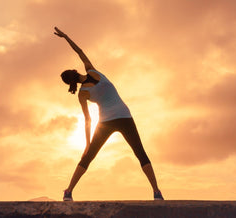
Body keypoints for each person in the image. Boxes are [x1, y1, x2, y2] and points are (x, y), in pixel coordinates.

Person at [54, 27, 164, 201]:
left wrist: (87, 144)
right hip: (124, 116)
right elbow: (80, 51)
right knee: (140, 152)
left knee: (88, 156)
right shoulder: (92, 70)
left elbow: (88, 120)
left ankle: (68, 192)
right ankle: (157, 192)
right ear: (75, 71)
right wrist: (66, 37)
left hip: (106, 122)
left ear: (70, 83)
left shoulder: (82, 93)